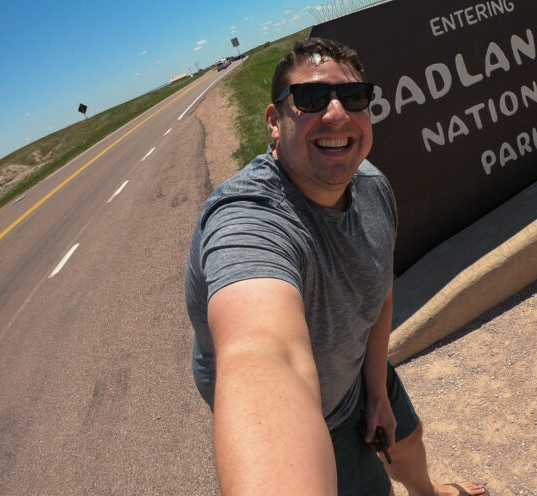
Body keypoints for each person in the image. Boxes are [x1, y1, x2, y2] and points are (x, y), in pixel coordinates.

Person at [185, 37, 487, 496]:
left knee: (408, 443)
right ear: (274, 121)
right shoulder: (249, 219)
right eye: (309, 98)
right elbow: (265, 354)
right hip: (315, 416)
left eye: (353, 96)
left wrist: (376, 390)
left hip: (359, 367)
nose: (336, 114)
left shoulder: (372, 186)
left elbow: (377, 294)